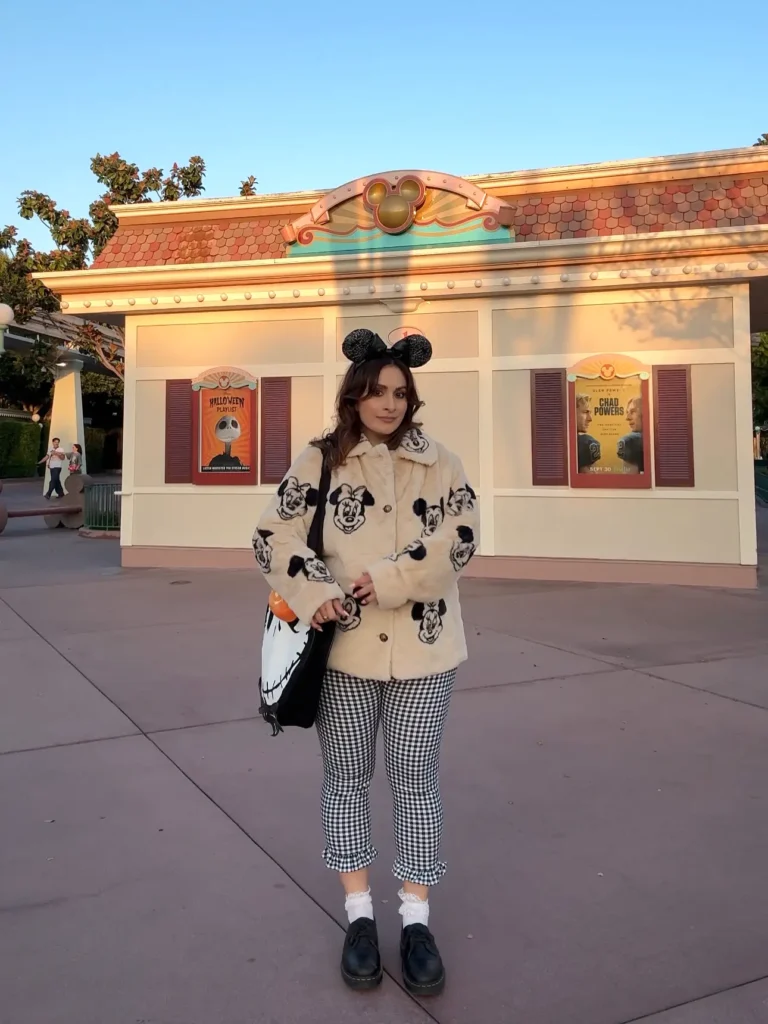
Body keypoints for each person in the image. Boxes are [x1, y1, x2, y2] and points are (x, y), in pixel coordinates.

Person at [253, 328, 479, 996]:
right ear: (355, 394)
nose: (388, 403)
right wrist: (316, 592)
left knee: (416, 779)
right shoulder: (319, 460)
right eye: (377, 391)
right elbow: (273, 533)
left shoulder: (442, 463)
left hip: (426, 648)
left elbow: (461, 538)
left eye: (400, 393)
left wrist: (390, 578)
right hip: (344, 653)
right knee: (346, 778)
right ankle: (357, 915)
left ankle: (415, 918)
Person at [617, 396, 644, 473]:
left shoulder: (630, 440)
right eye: (627, 413)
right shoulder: (632, 440)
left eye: (632, 412)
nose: (627, 418)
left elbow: (629, 482)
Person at [575, 394, 601, 472]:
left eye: (590, 413)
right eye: (585, 412)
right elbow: (591, 481)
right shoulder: (585, 443)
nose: (590, 418)